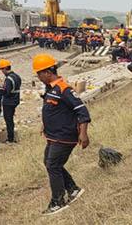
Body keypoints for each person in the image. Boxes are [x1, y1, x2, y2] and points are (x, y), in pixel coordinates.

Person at [33, 53, 90, 215]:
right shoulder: (51, 89)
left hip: (64, 136)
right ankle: (73, 190)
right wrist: (45, 124)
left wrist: (84, 134)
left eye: (39, 74)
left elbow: (82, 111)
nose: (38, 77)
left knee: (53, 165)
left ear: (47, 72)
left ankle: (58, 201)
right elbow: (54, 110)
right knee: (49, 162)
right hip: (53, 135)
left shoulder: (64, 89)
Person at [0, 59, 22, 143]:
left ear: (5, 68)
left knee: (8, 120)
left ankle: (10, 139)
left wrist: (0, 90)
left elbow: (7, 92)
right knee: (10, 119)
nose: (2, 71)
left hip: (8, 102)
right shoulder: (17, 76)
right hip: (15, 100)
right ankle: (11, 137)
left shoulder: (8, 79)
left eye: (2, 69)